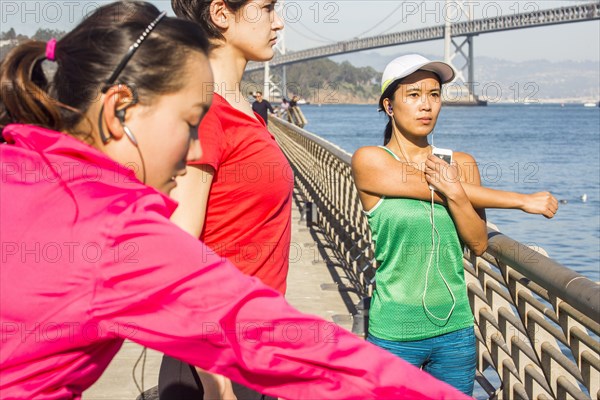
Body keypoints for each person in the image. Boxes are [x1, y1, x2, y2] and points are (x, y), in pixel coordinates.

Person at [0, 5, 473, 399]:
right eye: (187, 123)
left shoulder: (22, 169)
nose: (190, 152)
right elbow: (296, 350)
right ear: (119, 109)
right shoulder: (111, 230)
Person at [351, 54, 559, 396]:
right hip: (393, 332)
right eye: (413, 95)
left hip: (455, 331)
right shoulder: (371, 160)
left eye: (434, 95)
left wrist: (456, 192)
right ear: (389, 106)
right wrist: (522, 199)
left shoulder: (461, 164)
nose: (426, 105)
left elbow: (477, 243)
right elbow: (423, 185)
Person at [159, 1, 291, 399]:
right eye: (267, 8)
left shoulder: (246, 112)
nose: (279, 21)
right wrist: (218, 386)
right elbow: (176, 259)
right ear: (221, 14)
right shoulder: (206, 113)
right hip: (217, 362)